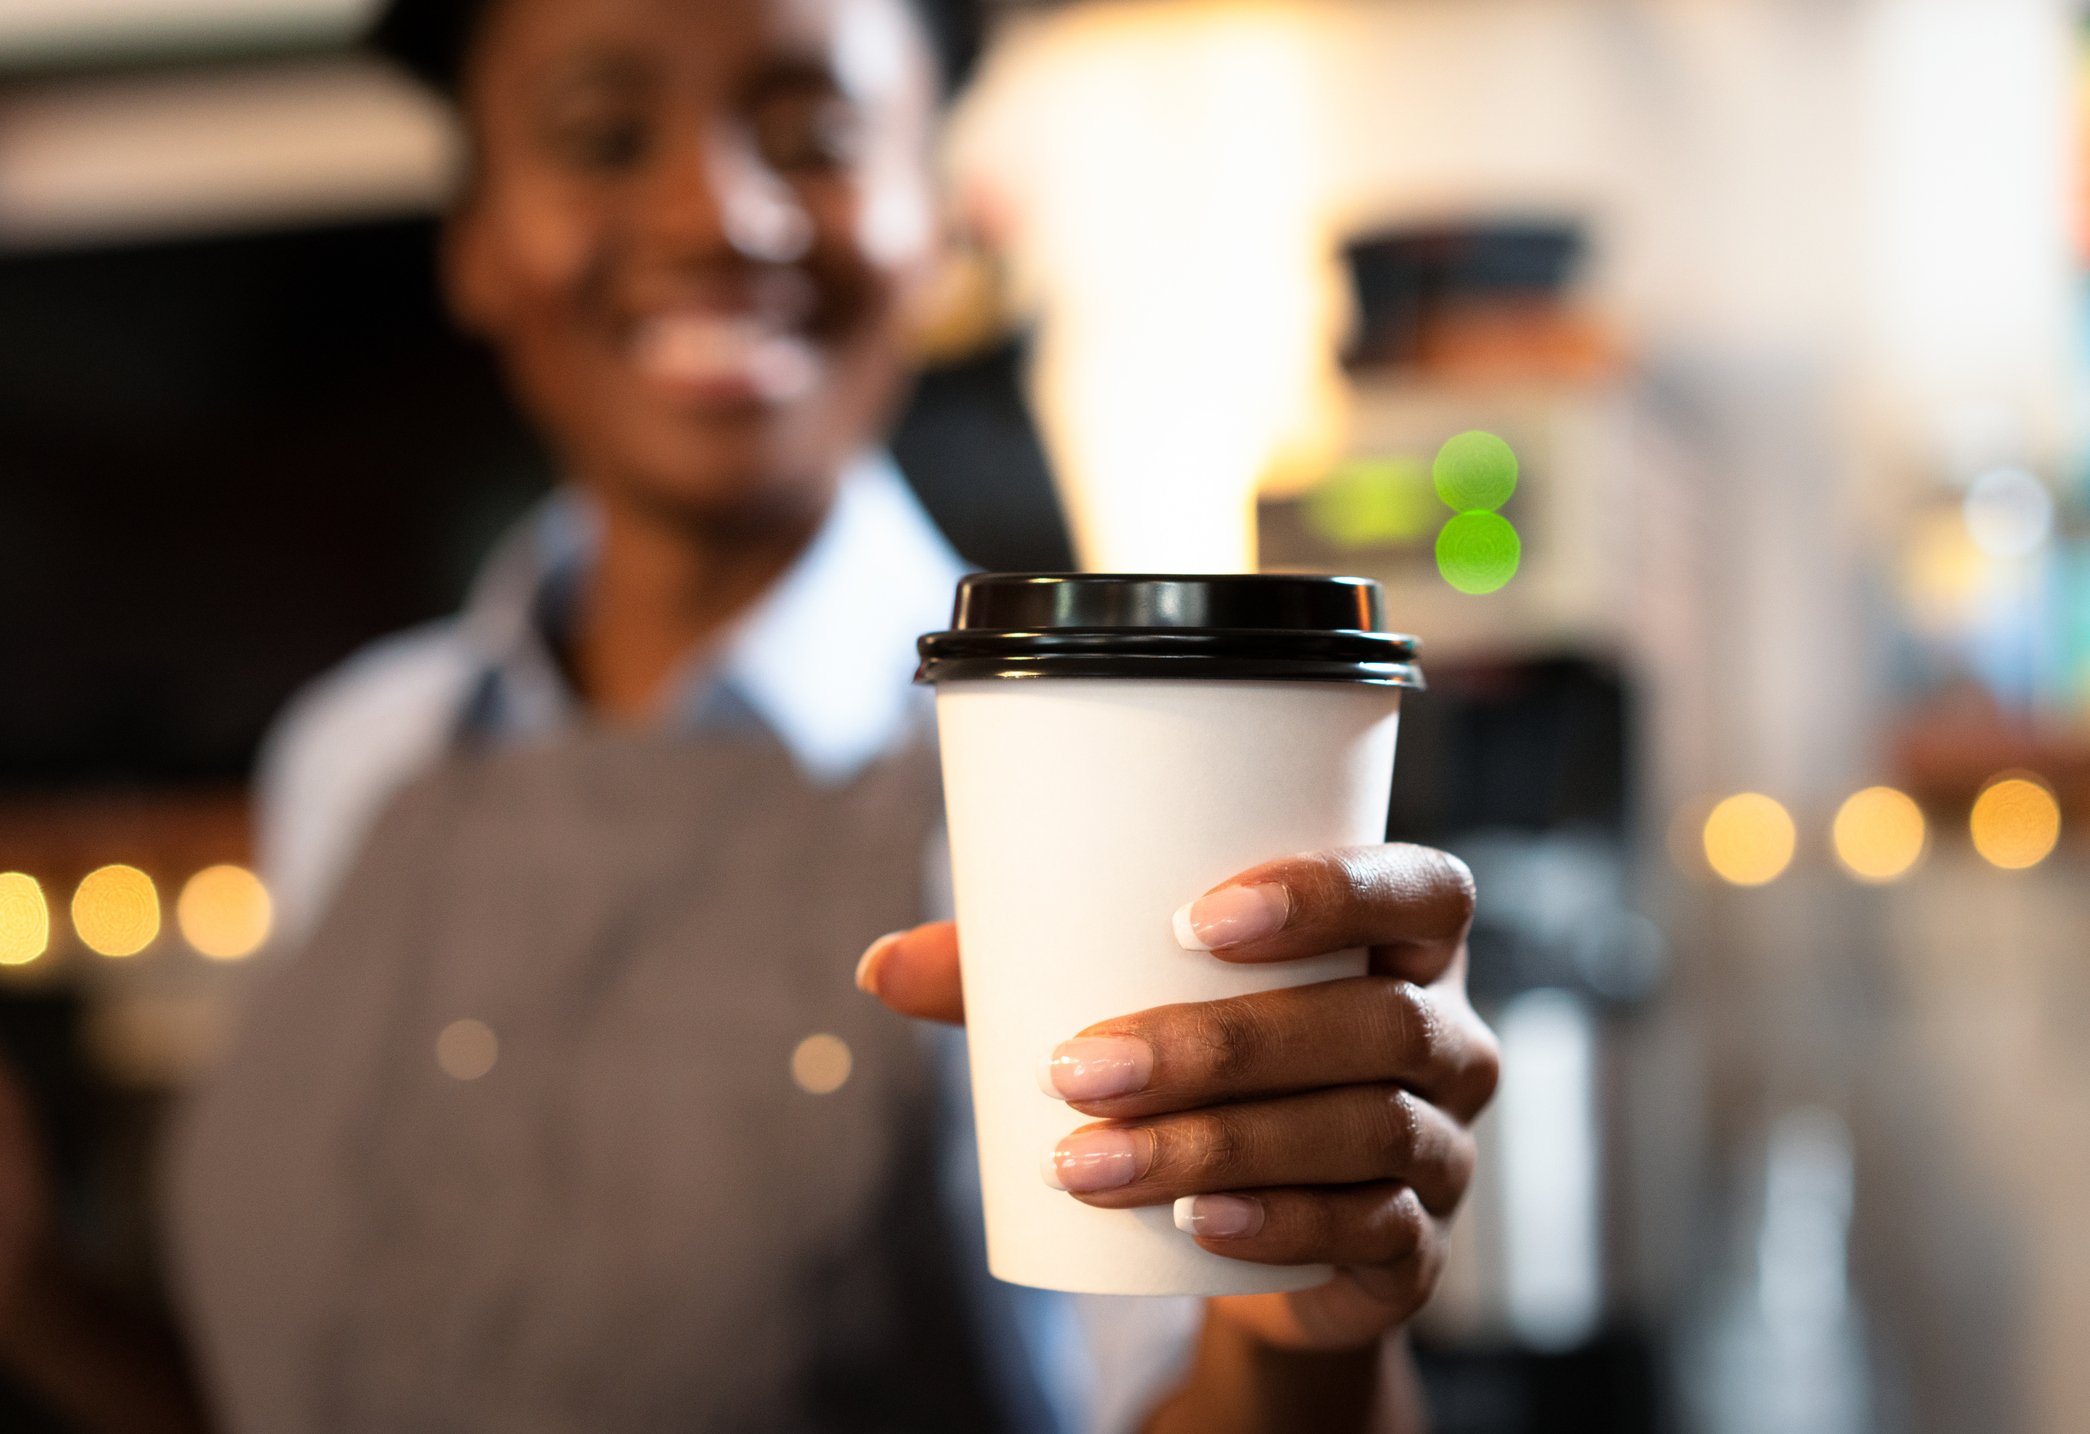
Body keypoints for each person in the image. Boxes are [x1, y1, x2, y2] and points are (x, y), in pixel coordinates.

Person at [0, 0, 1500, 1429]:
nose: (719, 214)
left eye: (813, 136)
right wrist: (33, 1295)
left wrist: (1294, 1307)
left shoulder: (1055, 778)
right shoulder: (359, 750)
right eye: (601, 137)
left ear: (944, 226)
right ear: (478, 244)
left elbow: (1212, 1395)